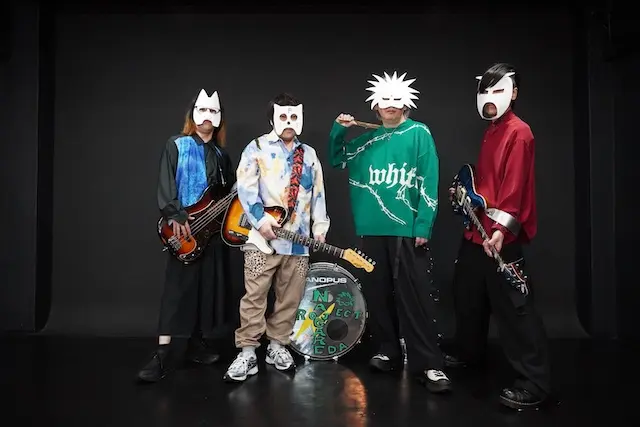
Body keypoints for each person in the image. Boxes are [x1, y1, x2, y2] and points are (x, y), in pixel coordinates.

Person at [327, 71, 451, 393]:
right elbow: (337, 159)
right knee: (378, 293)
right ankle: (388, 351)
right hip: (372, 229)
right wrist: (339, 129)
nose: (391, 105)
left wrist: (423, 224)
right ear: (376, 105)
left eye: (397, 99)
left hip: (407, 229)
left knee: (415, 297)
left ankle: (430, 363)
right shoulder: (368, 139)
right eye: (385, 100)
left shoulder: (419, 133)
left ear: (406, 103)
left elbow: (429, 178)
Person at [444, 63, 551, 409]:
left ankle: (535, 382)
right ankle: (469, 353)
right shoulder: (492, 130)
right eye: (485, 91)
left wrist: (502, 231)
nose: (490, 98)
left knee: (514, 307)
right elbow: (488, 183)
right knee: (468, 295)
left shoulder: (519, 132)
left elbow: (514, 188)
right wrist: (465, 194)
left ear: (514, 93)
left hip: (500, 237)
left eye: (498, 91)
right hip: (477, 231)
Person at [223, 93, 330, 382]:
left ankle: (277, 346)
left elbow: (318, 193)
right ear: (272, 119)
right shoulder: (256, 148)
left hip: (298, 241)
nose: (289, 122)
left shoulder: (309, 155)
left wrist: (320, 227)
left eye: (294, 116)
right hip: (262, 240)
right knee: (254, 296)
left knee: (290, 298)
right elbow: (245, 189)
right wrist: (260, 221)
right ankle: (247, 351)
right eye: (283, 116)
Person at [137, 88, 236, 383]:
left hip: (212, 233)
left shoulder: (221, 155)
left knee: (205, 289)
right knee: (176, 291)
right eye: (202, 110)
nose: (207, 116)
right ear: (192, 114)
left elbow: (227, 195)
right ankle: (162, 353)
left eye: (213, 111)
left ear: (219, 118)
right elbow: (166, 181)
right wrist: (176, 215)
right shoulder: (176, 145)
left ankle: (194, 344)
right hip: (184, 229)